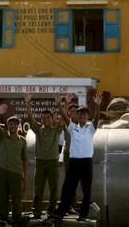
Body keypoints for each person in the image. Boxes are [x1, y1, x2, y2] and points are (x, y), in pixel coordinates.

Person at [52, 93, 102, 224]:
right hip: (74, 161)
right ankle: (61, 212)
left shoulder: (91, 128)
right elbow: (64, 116)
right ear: (77, 116)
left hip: (86, 162)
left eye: (85, 114)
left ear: (87, 116)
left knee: (86, 189)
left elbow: (97, 116)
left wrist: (97, 105)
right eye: (80, 114)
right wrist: (58, 103)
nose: (82, 116)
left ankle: (83, 214)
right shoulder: (72, 127)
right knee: (68, 188)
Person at [25, 93, 63, 220]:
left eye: (48, 117)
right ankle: (36, 212)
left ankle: (52, 211)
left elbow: (63, 118)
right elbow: (31, 118)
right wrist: (28, 103)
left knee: (54, 189)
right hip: (40, 163)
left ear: (53, 119)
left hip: (53, 163)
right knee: (38, 189)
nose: (46, 119)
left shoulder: (57, 130)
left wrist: (64, 103)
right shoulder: (38, 130)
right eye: (44, 117)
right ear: (41, 119)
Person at [0, 103, 28, 226]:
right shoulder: (3, 136)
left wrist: (25, 176)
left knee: (16, 199)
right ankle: (3, 218)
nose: (12, 126)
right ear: (7, 126)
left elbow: (25, 159)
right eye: (10, 124)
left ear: (18, 126)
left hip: (16, 173)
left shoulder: (22, 141)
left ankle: (16, 219)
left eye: (15, 124)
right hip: (2, 171)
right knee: (2, 197)